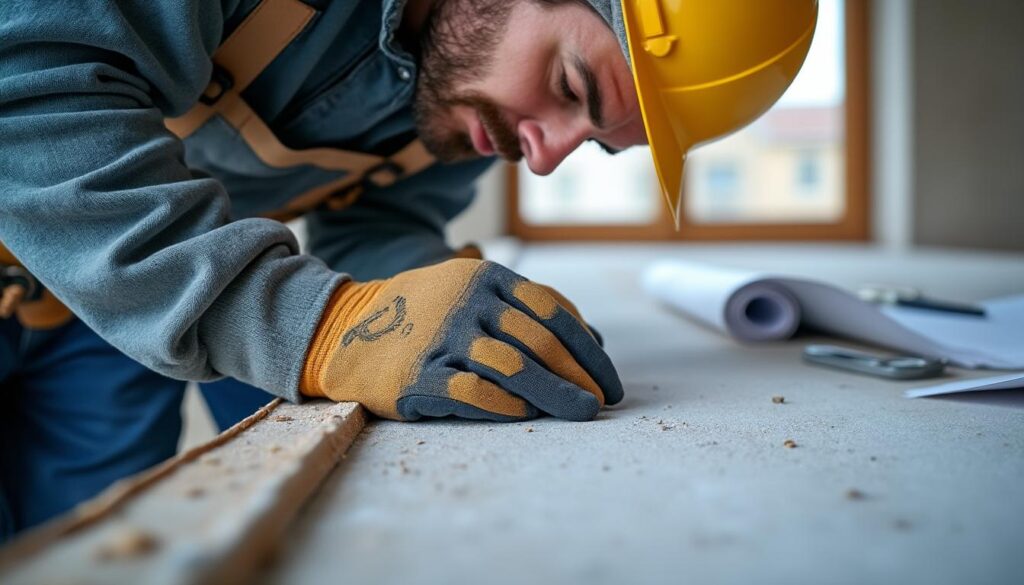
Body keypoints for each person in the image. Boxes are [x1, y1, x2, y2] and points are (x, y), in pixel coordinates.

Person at [0, 0, 815, 539]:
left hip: (107, 304)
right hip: (118, 265)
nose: (545, 156)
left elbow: (381, 216)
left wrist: (437, 292)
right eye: (570, 87)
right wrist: (314, 326)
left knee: (81, 543)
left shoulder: (460, 96)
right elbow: (26, 89)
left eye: (592, 142)